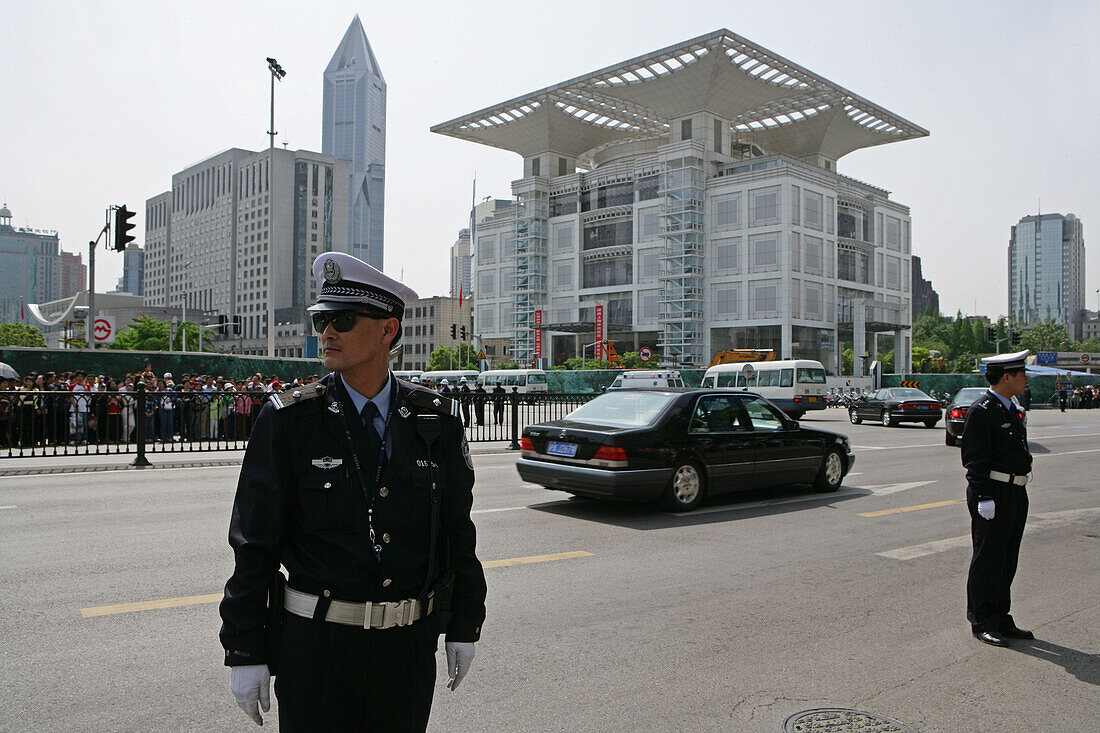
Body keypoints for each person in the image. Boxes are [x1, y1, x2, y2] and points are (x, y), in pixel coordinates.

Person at [220, 252, 486, 730]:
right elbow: (253, 544)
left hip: (406, 649)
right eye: (322, 320)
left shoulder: (436, 420)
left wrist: (464, 624)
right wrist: (244, 647)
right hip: (317, 649)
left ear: (388, 330)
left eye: (342, 320)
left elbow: (455, 532)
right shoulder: (290, 420)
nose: (327, 333)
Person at [960, 350, 1034, 647]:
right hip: (994, 492)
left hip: (1016, 491)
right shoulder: (983, 410)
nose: (1025, 379)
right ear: (1007, 377)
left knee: (1007, 557)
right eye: (1022, 375)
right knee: (988, 558)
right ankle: (982, 620)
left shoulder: (1009, 408)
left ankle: (1001, 616)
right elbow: (975, 459)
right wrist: (983, 496)